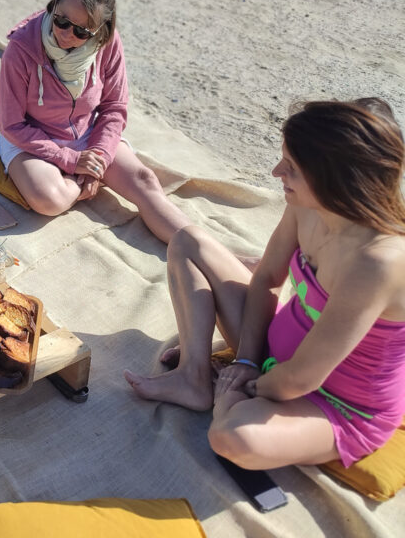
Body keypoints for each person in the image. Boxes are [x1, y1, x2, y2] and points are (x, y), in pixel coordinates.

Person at [125, 99, 405, 470]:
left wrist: (244, 386)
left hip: (333, 402)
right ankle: (193, 377)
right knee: (188, 241)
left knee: (232, 437)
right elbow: (268, 279)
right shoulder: (308, 204)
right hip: (273, 358)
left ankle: (225, 398)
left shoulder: (378, 261)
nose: (276, 172)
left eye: (290, 167)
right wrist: (244, 360)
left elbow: (303, 378)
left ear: (335, 182)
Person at [0, 0, 190, 244]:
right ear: (54, 4)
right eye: (61, 20)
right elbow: (12, 124)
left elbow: (114, 107)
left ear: (100, 31)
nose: (65, 33)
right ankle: (84, 183)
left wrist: (97, 156)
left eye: (81, 31)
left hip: (87, 133)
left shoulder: (109, 45)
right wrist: (75, 164)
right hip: (32, 139)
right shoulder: (21, 49)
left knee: (146, 181)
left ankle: (219, 256)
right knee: (49, 199)